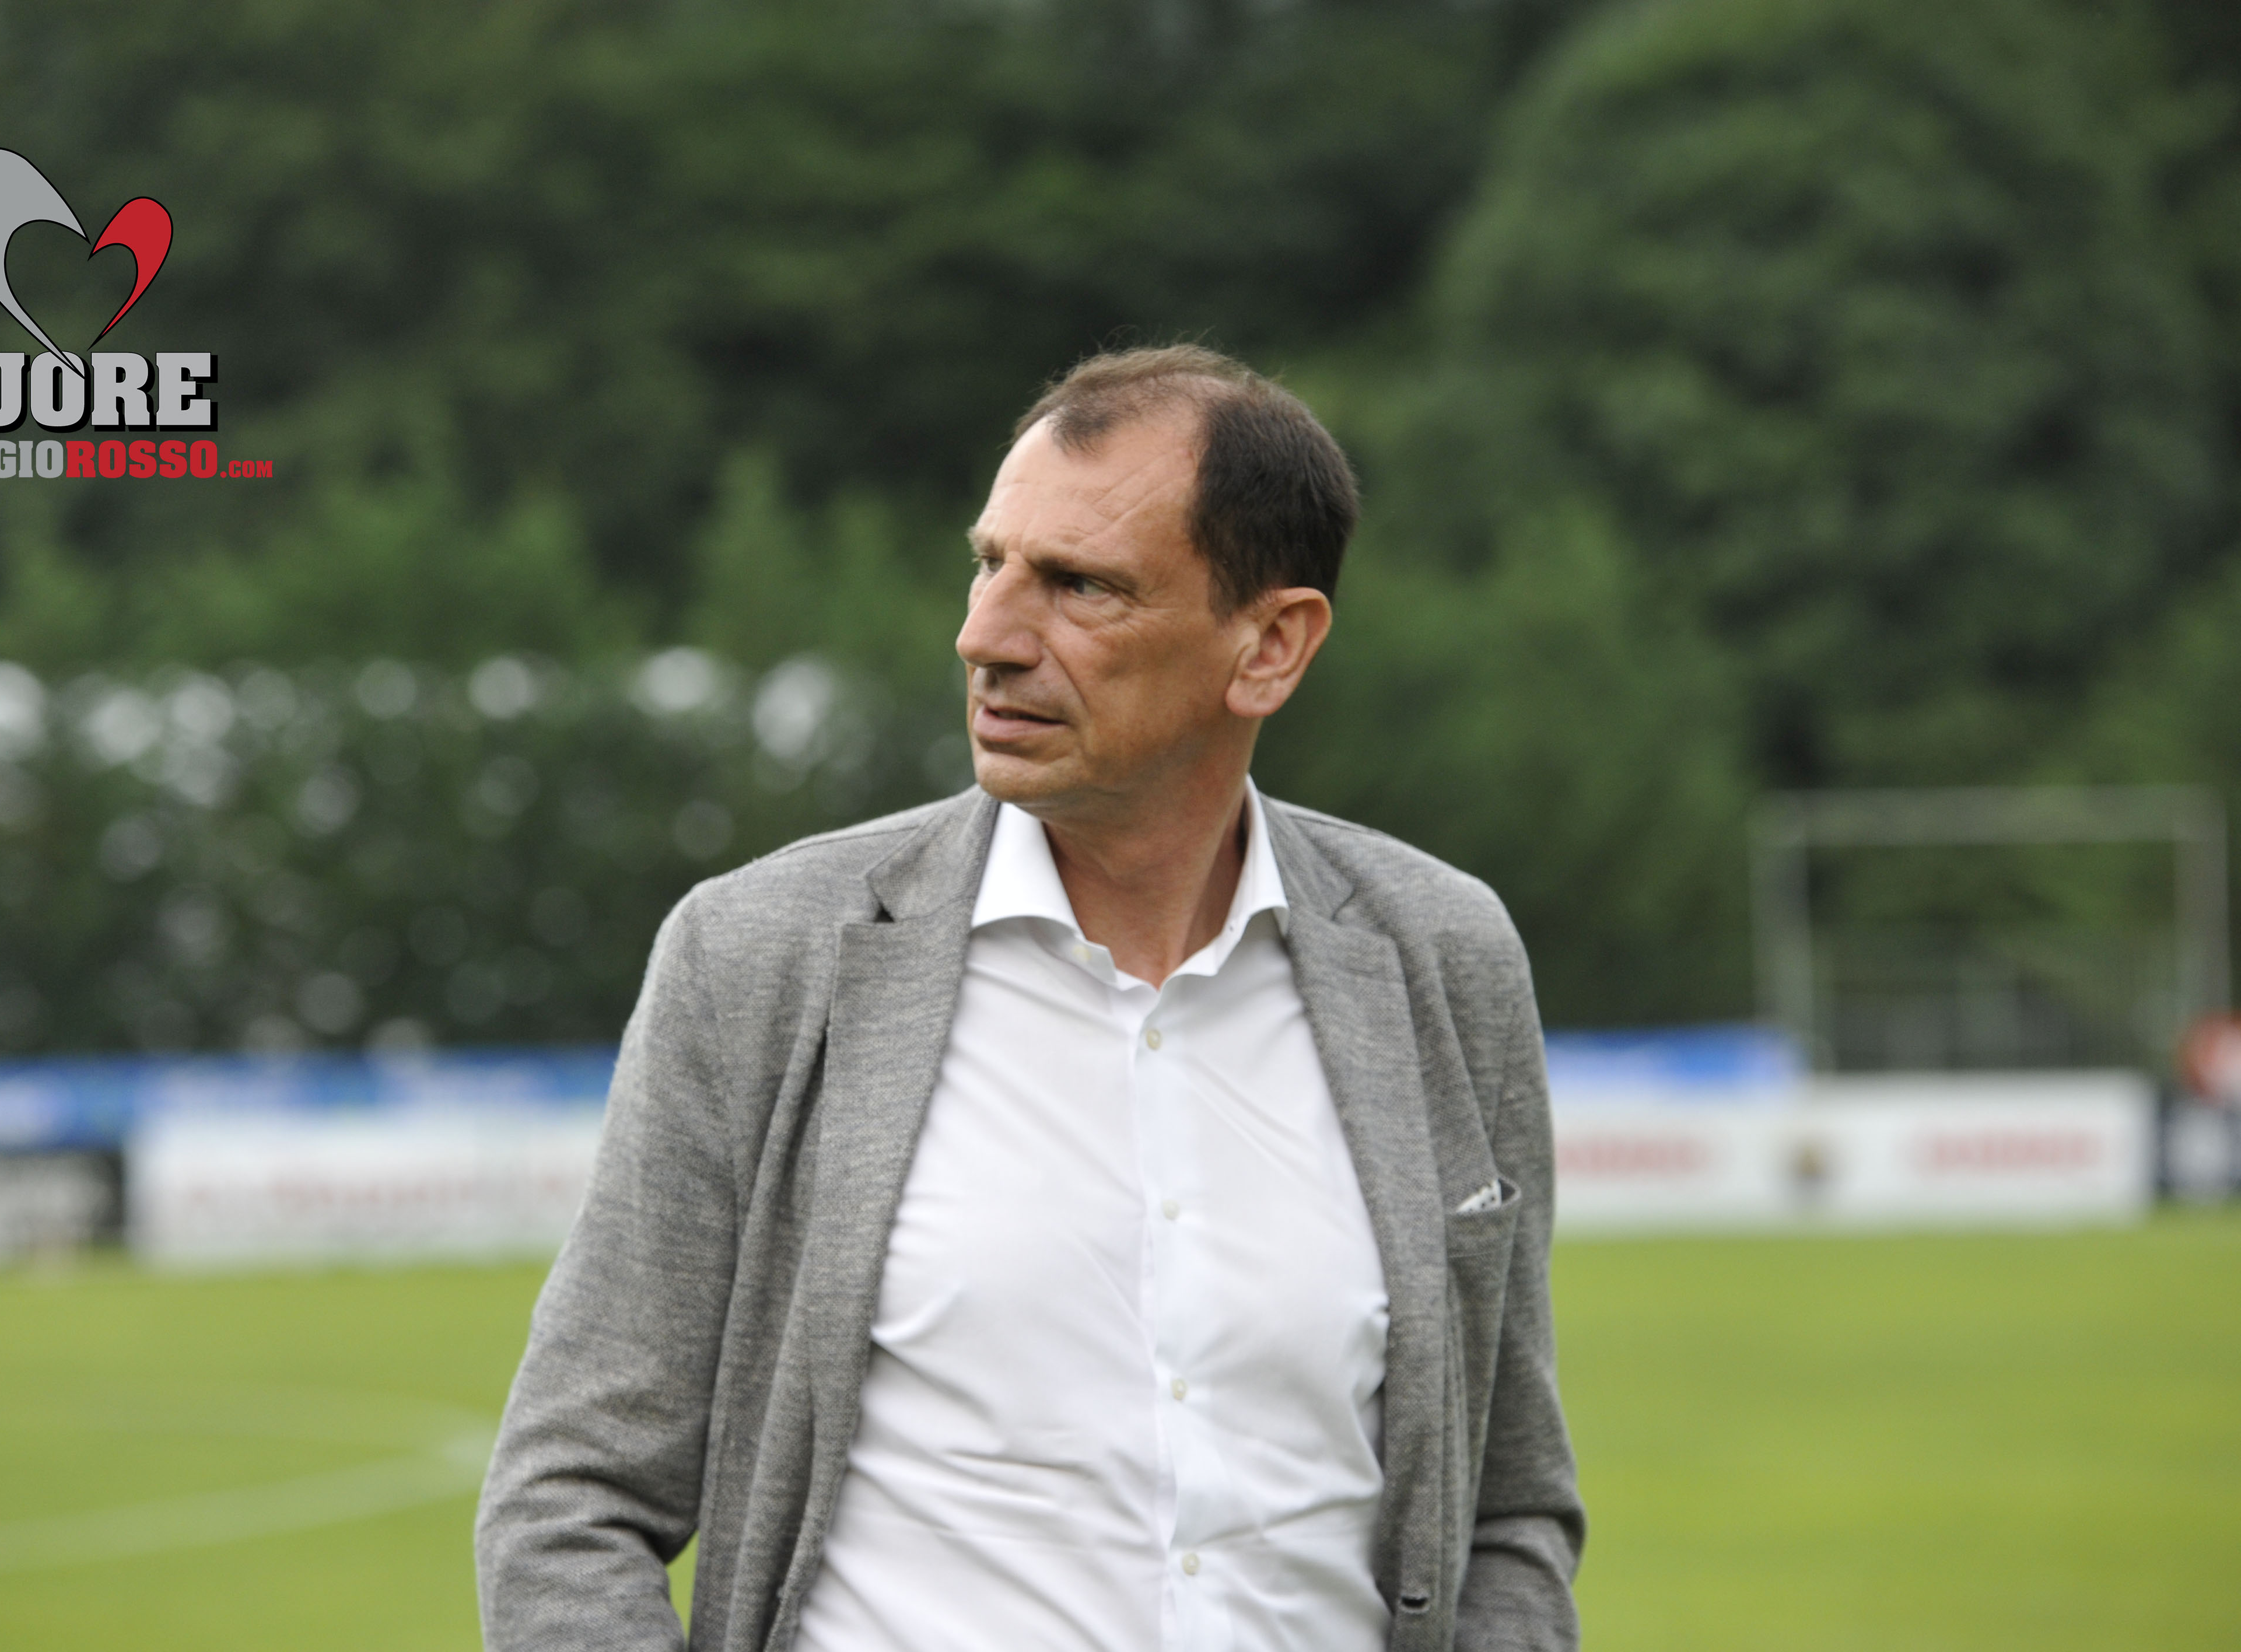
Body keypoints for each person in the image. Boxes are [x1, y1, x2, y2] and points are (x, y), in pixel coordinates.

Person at [476, 345, 1584, 1652]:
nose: (986, 637)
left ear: (1270, 646)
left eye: (1079, 586)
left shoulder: (1441, 957)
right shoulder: (760, 957)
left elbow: (1506, 1510)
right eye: (989, 564)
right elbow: (571, 1502)